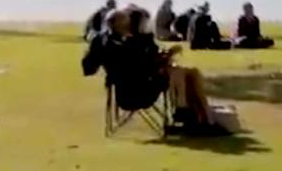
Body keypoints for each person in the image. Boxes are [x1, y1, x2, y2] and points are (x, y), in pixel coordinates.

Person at [82, 7, 221, 133]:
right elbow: (142, 66)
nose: (129, 25)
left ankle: (202, 117)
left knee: (192, 72)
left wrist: (163, 57)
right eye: (126, 22)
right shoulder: (122, 43)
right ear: (120, 24)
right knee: (178, 72)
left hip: (141, 82)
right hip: (138, 90)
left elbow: (89, 67)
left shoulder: (109, 41)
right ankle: (187, 114)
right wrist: (166, 57)